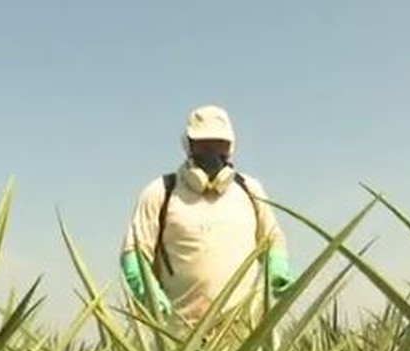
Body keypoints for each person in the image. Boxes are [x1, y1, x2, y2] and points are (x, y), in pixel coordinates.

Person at [119, 104, 293, 331]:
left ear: (230, 147)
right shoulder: (161, 192)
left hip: (244, 334)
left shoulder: (250, 190)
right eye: (203, 144)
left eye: (219, 144)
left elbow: (273, 239)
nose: (211, 151)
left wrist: (277, 269)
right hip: (180, 334)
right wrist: (148, 293)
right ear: (188, 146)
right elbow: (135, 252)